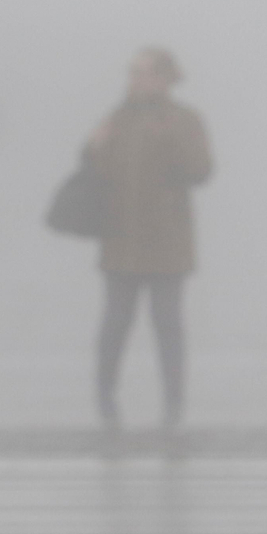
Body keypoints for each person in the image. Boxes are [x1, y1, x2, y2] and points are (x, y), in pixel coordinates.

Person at [85, 46, 213, 430]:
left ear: (164, 79)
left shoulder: (186, 119)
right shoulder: (117, 118)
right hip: (121, 241)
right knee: (115, 325)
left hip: (167, 243)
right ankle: (105, 398)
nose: (134, 80)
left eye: (142, 73)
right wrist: (94, 147)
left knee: (168, 326)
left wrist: (170, 138)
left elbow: (201, 171)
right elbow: (96, 172)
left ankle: (174, 403)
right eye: (132, 72)